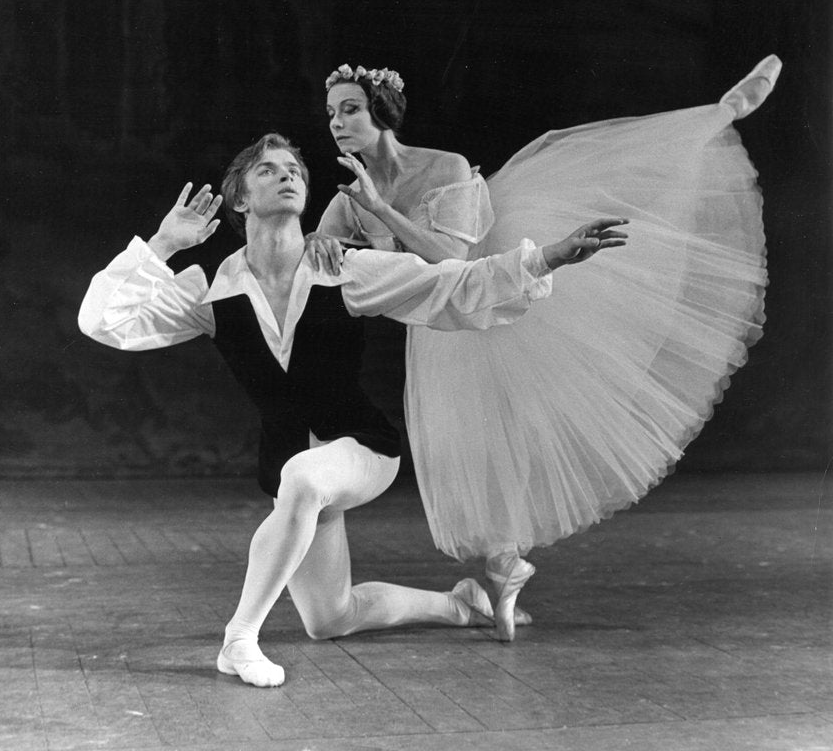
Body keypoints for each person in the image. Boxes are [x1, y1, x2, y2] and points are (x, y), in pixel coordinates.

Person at [78, 132, 627, 687]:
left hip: (364, 448)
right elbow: (102, 321)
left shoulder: (343, 269)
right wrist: (162, 244)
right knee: (329, 618)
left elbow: (453, 283)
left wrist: (549, 256)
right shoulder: (211, 294)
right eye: (268, 170)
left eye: (294, 170)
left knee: (304, 477)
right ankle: (461, 605)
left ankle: (238, 639)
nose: (287, 175)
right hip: (291, 471)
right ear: (240, 199)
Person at [308, 54, 781, 641]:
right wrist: (319, 240)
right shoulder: (349, 195)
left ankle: (716, 117)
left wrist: (379, 209)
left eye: (350, 109)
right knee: (474, 441)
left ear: (381, 113)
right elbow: (314, 251)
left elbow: (453, 260)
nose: (337, 123)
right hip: (446, 323)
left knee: (526, 420)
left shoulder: (442, 166)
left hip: (506, 288)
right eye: (331, 113)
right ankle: (504, 571)